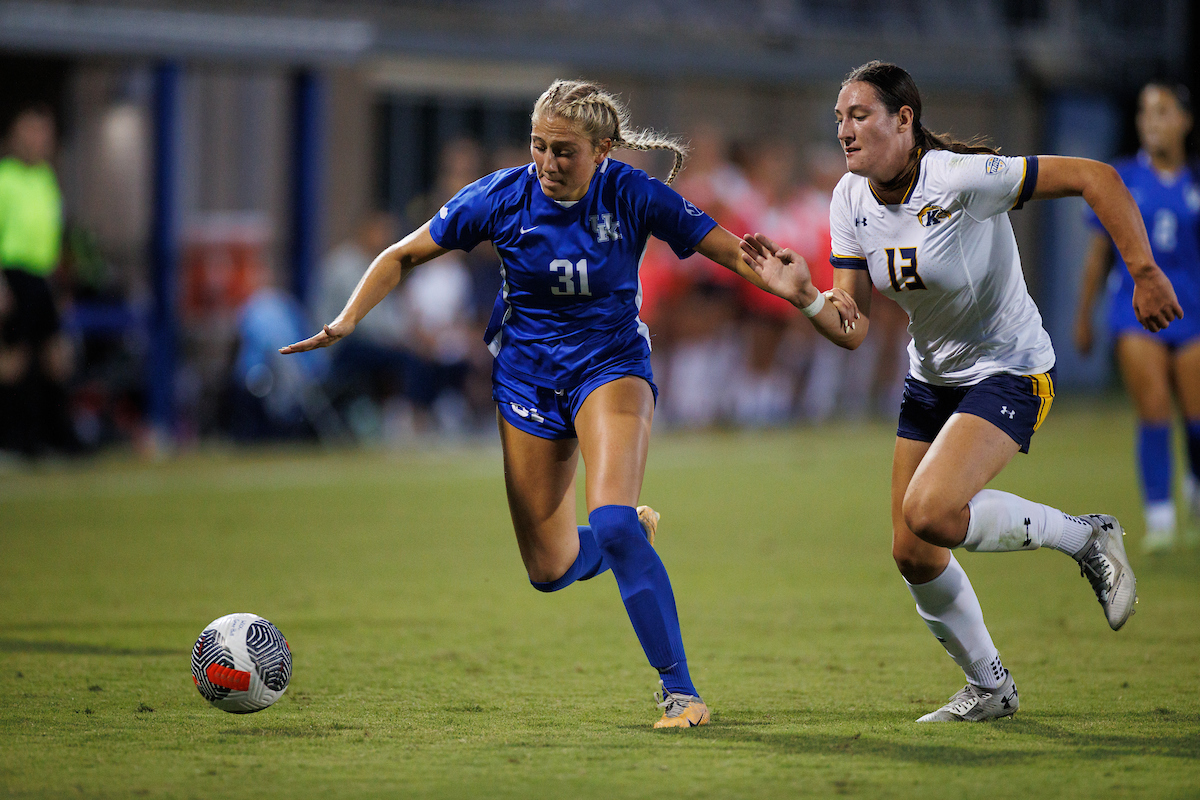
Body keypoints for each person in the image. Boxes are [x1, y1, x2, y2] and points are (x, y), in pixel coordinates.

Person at [281, 80, 849, 727]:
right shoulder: (500, 197)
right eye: (539, 147)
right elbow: (403, 253)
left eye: (565, 151)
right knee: (548, 568)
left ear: (603, 150)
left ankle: (681, 692)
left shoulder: (632, 195)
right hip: (525, 382)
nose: (548, 163)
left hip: (611, 368)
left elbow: (726, 248)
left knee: (608, 521)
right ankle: (627, 536)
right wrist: (348, 319)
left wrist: (785, 286)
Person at [742, 61, 1183, 722]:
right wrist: (806, 298)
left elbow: (1099, 178)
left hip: (1010, 369)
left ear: (904, 120)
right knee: (913, 551)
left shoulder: (960, 179)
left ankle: (1085, 538)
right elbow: (854, 328)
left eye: (859, 115)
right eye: (839, 118)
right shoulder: (850, 199)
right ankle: (990, 687)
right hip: (932, 379)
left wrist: (1143, 271)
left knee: (932, 512)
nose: (845, 130)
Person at [1074, 83, 1200, 553]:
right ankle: (1161, 520)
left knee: (1196, 416)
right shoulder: (1120, 178)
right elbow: (1097, 255)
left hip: (1193, 312)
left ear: (1185, 121)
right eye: (1145, 111)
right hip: (1134, 311)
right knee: (1153, 410)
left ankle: (1193, 488)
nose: (1152, 121)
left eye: (1163, 111)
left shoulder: (1194, 184)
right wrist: (1083, 316)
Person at [0, 103, 78, 456]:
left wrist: (60, 286)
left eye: (44, 132)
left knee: (55, 360)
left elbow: (54, 236)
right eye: (31, 131)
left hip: (41, 278)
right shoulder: (5, 178)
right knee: (12, 361)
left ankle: (56, 435)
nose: (39, 140)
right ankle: (13, 437)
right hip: (12, 276)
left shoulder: (46, 179)